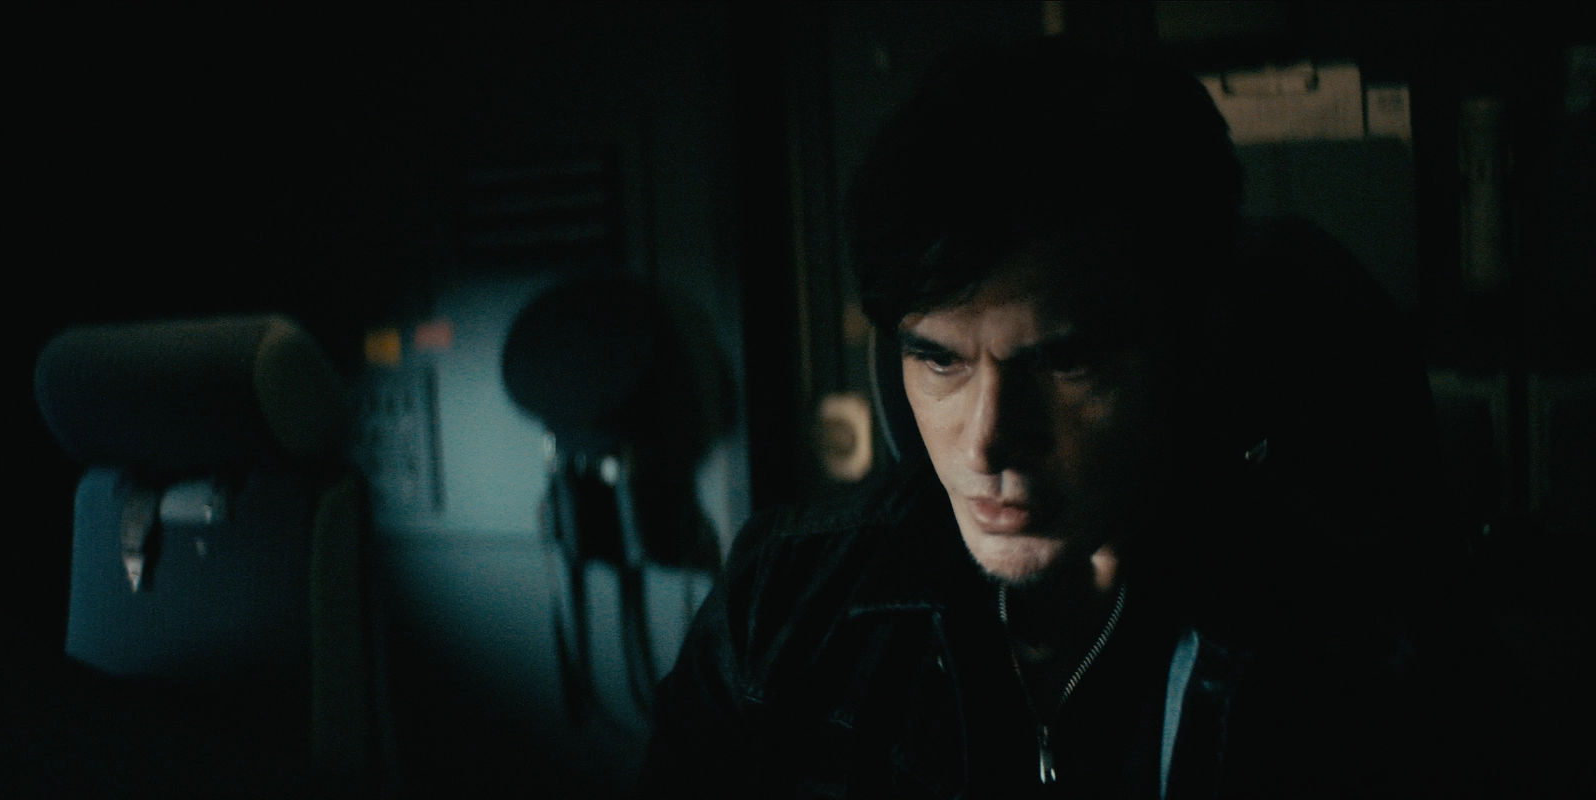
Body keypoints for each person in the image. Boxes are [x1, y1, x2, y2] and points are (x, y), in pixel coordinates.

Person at [641, 39, 1509, 798]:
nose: (988, 439)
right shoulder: (782, 605)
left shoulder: (1358, 648)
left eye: (1065, 363)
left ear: (1194, 345)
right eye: (939, 359)